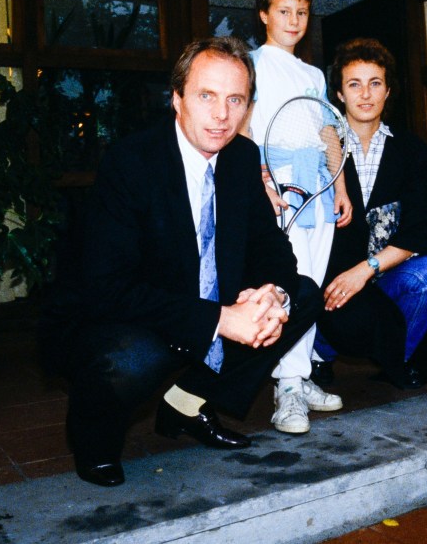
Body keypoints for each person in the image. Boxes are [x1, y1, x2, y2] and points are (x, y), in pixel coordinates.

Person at [43, 36, 322, 487]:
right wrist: (220, 319)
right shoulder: (131, 162)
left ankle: (187, 402)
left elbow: (274, 251)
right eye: (206, 96)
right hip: (120, 315)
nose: (221, 115)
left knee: (301, 295)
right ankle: (93, 440)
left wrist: (272, 294)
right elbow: (107, 288)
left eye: (236, 100)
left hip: (195, 306)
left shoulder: (242, 157)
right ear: (177, 98)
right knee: (133, 358)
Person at [316, 37, 427, 389]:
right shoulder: (322, 148)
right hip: (335, 281)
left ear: (388, 91)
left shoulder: (413, 151)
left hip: (385, 274)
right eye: (354, 84)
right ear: (339, 94)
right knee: (310, 287)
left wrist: (366, 270)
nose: (365, 94)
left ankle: (396, 355)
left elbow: (426, 225)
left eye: (375, 83)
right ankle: (318, 354)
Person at [244, 0, 351, 434]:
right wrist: (263, 185)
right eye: (284, 11)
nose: (293, 20)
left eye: (302, 12)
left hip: (320, 188)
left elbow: (327, 132)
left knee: (314, 278)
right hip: (283, 185)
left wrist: (341, 186)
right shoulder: (253, 64)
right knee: (293, 282)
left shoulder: (311, 73)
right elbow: (246, 130)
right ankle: (286, 388)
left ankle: (300, 375)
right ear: (265, 14)